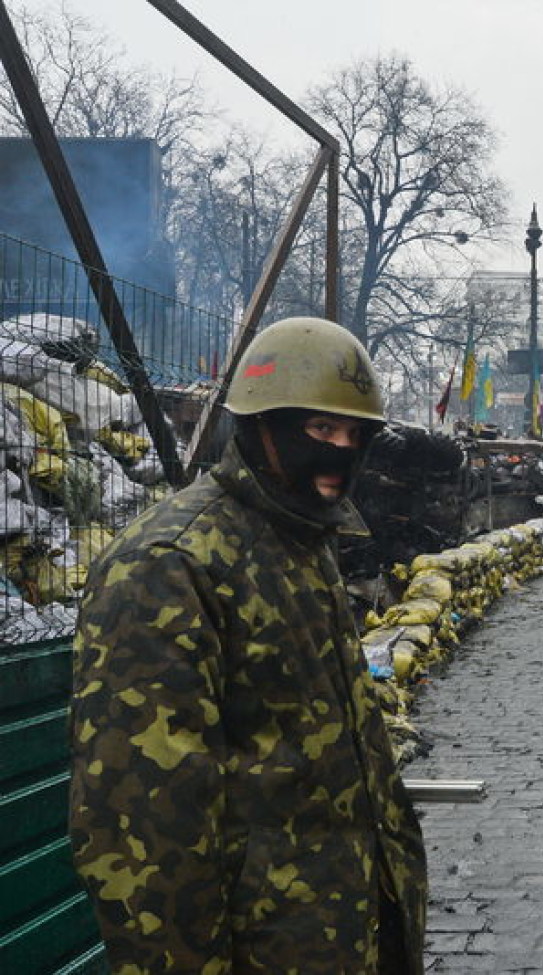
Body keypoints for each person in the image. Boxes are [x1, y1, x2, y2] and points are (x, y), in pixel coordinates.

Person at [68, 317, 428, 972]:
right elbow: (143, 837)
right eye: (321, 430)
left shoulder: (302, 542)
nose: (340, 452)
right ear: (262, 425)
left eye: (356, 435)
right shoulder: (170, 565)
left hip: (348, 938)